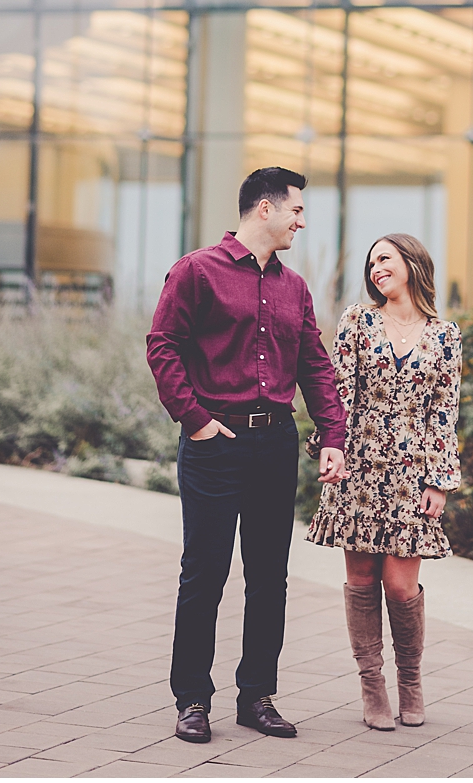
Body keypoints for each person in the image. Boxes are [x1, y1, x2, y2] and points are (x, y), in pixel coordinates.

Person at [146, 166, 349, 744]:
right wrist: (197, 420)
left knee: (269, 576)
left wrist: (332, 435)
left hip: (275, 443)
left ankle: (257, 696)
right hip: (215, 443)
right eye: (297, 211)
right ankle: (191, 699)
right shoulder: (196, 271)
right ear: (265, 209)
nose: (302, 222)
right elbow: (162, 348)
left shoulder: (295, 287)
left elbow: (314, 364)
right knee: (204, 573)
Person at [306, 233, 462, 731]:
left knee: (400, 585)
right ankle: (372, 686)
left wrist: (438, 480)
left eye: (385, 259)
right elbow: (337, 390)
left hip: (411, 476)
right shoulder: (358, 320)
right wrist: (327, 447)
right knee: (361, 580)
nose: (376, 269)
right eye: (371, 262)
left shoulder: (445, 335)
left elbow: (445, 412)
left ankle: (411, 682)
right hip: (359, 469)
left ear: (412, 264)